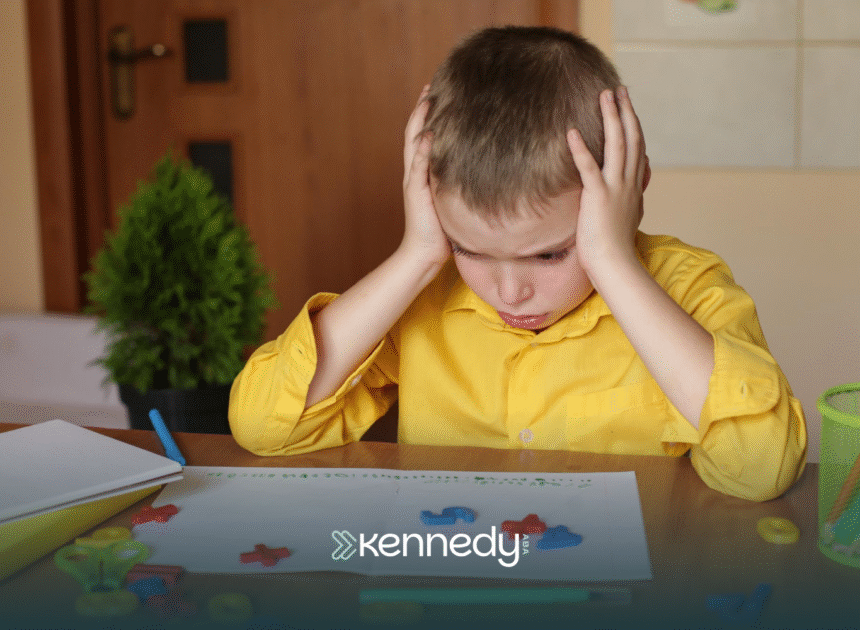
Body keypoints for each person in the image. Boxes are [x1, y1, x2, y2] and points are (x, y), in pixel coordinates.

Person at [229, 26, 806, 502]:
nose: (508, 291)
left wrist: (614, 264)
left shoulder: (689, 288)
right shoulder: (424, 297)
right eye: (468, 248)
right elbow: (264, 426)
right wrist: (418, 254)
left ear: (629, 191)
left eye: (550, 253)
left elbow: (762, 468)